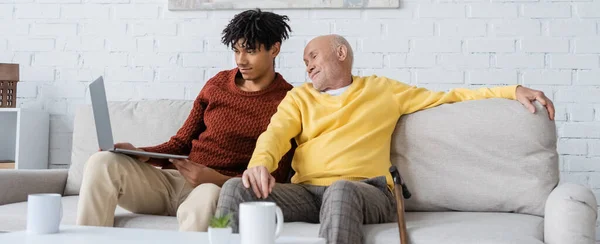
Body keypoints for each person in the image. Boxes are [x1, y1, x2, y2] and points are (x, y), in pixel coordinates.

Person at [215, 34, 556, 244]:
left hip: (368, 191)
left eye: (313, 57)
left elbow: (449, 96)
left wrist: (511, 90)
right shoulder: (300, 98)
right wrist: (260, 163)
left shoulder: (383, 90)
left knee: (341, 190)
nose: (307, 67)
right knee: (233, 189)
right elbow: (274, 134)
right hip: (306, 193)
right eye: (305, 62)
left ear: (340, 53)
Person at [76, 9, 296, 232]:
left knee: (207, 196)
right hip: (173, 181)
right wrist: (142, 153)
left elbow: (273, 178)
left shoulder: (289, 101)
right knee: (102, 162)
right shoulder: (218, 84)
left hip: (214, 189)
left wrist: (216, 178)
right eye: (236, 50)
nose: (241, 60)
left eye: (250, 51)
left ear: (274, 49)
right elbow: (180, 143)